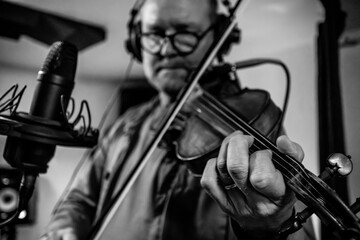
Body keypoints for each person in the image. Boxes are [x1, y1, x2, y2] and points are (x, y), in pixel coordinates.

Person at [41, 0, 315, 239]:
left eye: (184, 33)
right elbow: (79, 199)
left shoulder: (249, 123)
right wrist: (65, 228)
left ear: (219, 37)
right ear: (137, 42)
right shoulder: (124, 125)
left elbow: (297, 227)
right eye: (154, 33)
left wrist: (272, 226)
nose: (165, 49)